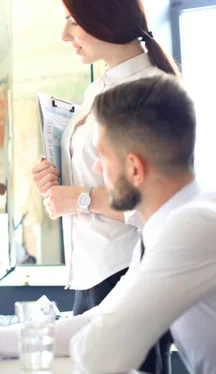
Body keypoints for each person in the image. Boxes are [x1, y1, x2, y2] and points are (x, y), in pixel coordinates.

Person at [0, 74, 216, 374]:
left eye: (102, 156)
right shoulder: (171, 224)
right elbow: (97, 320)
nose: (97, 169)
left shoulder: (191, 228)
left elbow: (101, 353)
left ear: (135, 168)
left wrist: (100, 334)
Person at [31, 0, 180, 316]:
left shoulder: (151, 92)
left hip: (129, 273)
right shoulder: (97, 90)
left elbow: (165, 208)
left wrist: (81, 199)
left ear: (103, 18)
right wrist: (55, 181)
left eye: (72, 21)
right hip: (89, 277)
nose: (63, 34)